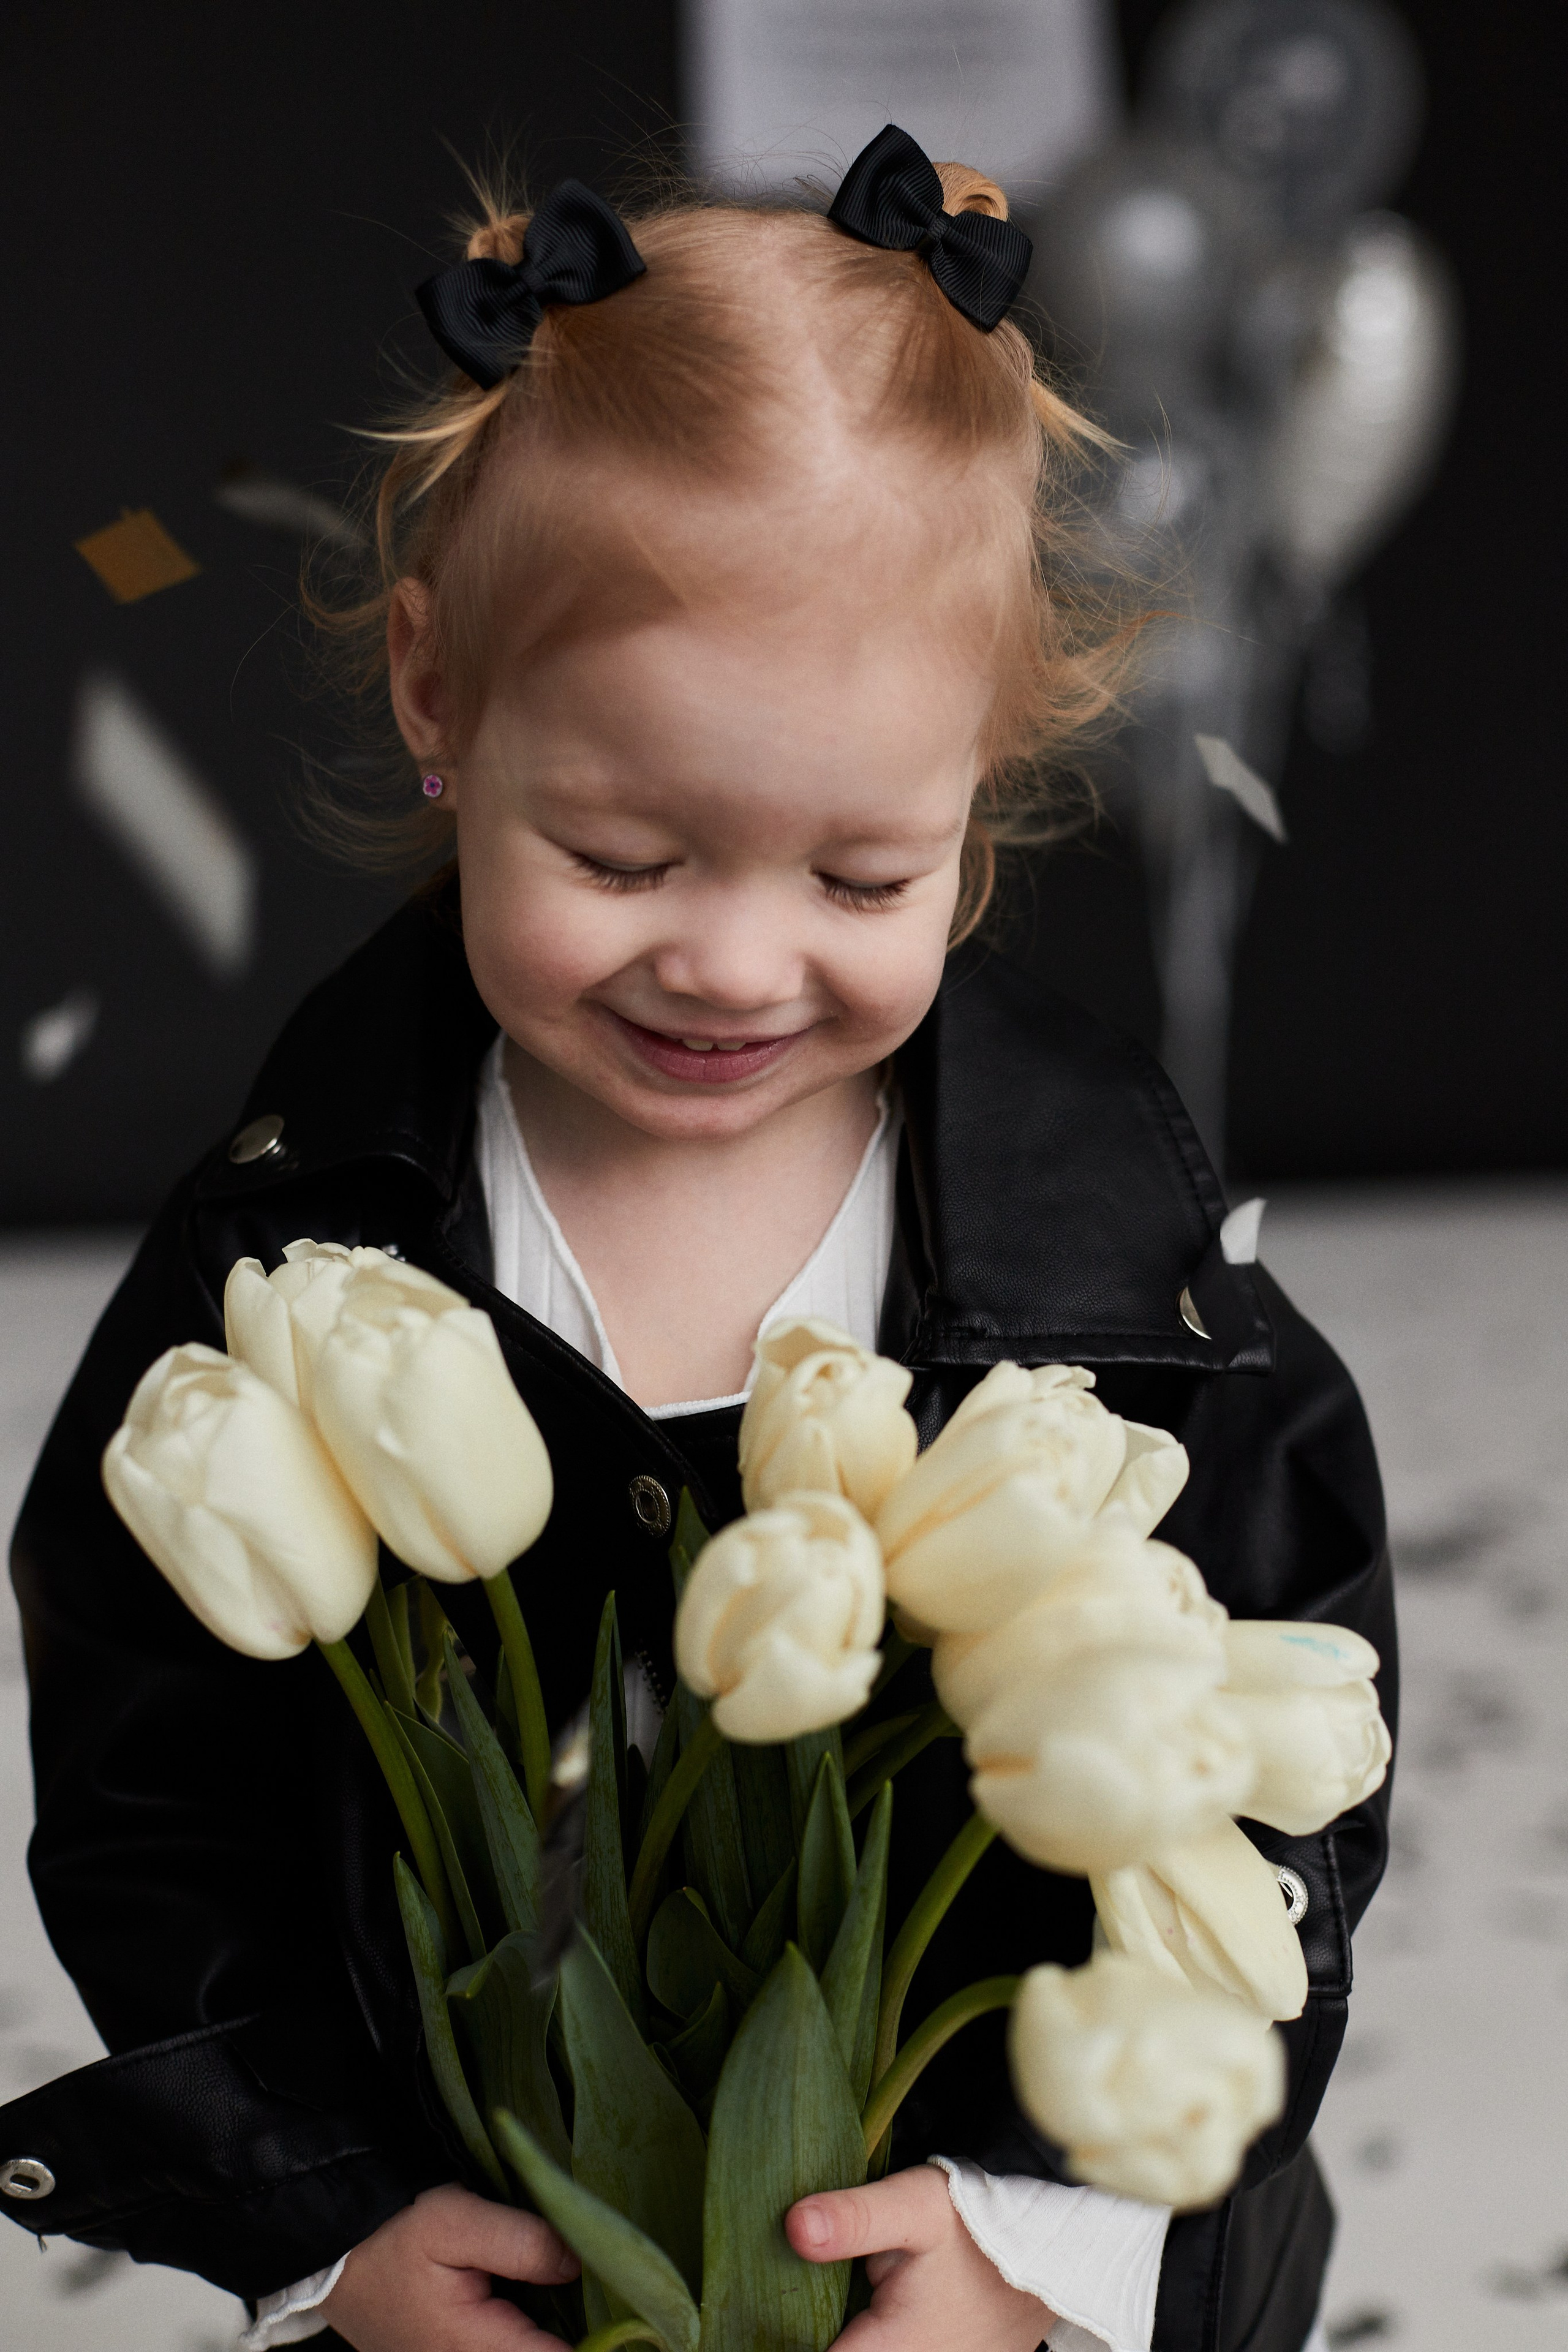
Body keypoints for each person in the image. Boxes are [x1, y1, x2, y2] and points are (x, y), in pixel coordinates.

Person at [0, 129, 1392, 2352]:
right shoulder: (308, 1254)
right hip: (505, 2271)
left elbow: (1262, 1804)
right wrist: (333, 2219)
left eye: (861, 880)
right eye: (628, 853)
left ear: (984, 778)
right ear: (442, 695)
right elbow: (154, 1780)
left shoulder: (1128, 1280)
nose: (738, 966)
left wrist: (1044, 2239)